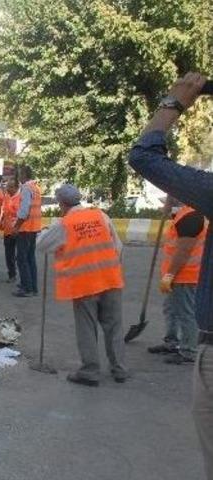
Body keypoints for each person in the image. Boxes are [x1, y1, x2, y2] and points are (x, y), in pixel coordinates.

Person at [127, 72, 213, 478]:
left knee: (179, 313)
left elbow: (144, 156)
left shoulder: (196, 210)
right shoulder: (187, 209)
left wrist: (174, 103)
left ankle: (176, 344)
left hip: (189, 289)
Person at [36, 184, 128, 387]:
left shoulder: (65, 224)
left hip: (84, 284)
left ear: (61, 203)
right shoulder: (100, 216)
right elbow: (118, 246)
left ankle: (90, 371)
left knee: (87, 328)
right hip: (111, 279)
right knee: (114, 326)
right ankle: (119, 369)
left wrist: (41, 233)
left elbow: (42, 245)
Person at [148, 197, 207, 365]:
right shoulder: (184, 212)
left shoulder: (192, 216)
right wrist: (167, 207)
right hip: (178, 274)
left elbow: (184, 250)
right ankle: (171, 342)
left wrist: (170, 275)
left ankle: (189, 350)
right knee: (171, 309)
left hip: (186, 275)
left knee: (185, 312)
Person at [10, 165, 42, 297]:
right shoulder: (36, 187)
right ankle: (32, 287)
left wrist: (16, 226)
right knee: (30, 258)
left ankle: (26, 288)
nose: (18, 177)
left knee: (21, 258)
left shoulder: (26, 188)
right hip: (34, 227)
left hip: (25, 228)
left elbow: (23, 211)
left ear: (23, 175)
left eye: (19, 174)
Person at [1, 178, 21, 283]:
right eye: (7, 186)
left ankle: (22, 276)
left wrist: (16, 228)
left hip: (18, 231)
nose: (7, 188)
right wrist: (2, 221)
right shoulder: (7, 196)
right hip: (8, 231)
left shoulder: (20, 198)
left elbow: (21, 216)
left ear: (16, 188)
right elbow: (4, 210)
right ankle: (12, 275)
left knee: (20, 255)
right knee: (9, 255)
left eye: (9, 186)